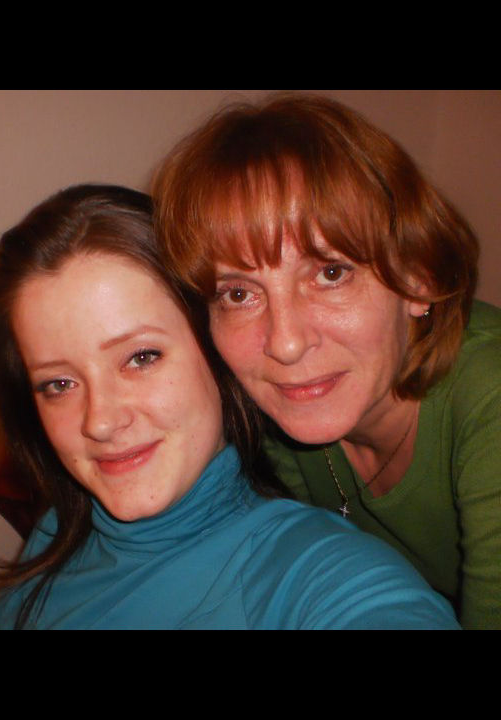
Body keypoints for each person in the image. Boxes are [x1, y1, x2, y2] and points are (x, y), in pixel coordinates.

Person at [0, 183, 458, 629]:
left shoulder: (323, 578)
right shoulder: (59, 529)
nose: (100, 421)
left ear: (217, 352)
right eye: (59, 383)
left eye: (141, 358)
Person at [152, 92, 501, 629]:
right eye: (239, 294)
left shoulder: (490, 400)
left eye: (331, 273)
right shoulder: (280, 417)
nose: (286, 344)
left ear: (419, 277)